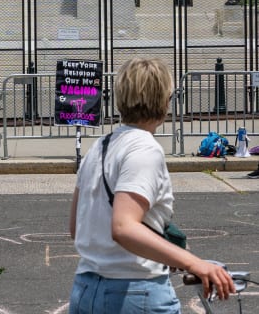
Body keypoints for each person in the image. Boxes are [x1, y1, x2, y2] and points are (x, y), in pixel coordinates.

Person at [69, 57, 235, 313]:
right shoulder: (144, 149)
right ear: (164, 100)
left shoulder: (98, 148)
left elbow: (76, 228)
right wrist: (194, 263)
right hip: (135, 291)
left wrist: (161, 250)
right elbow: (123, 227)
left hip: (86, 289)